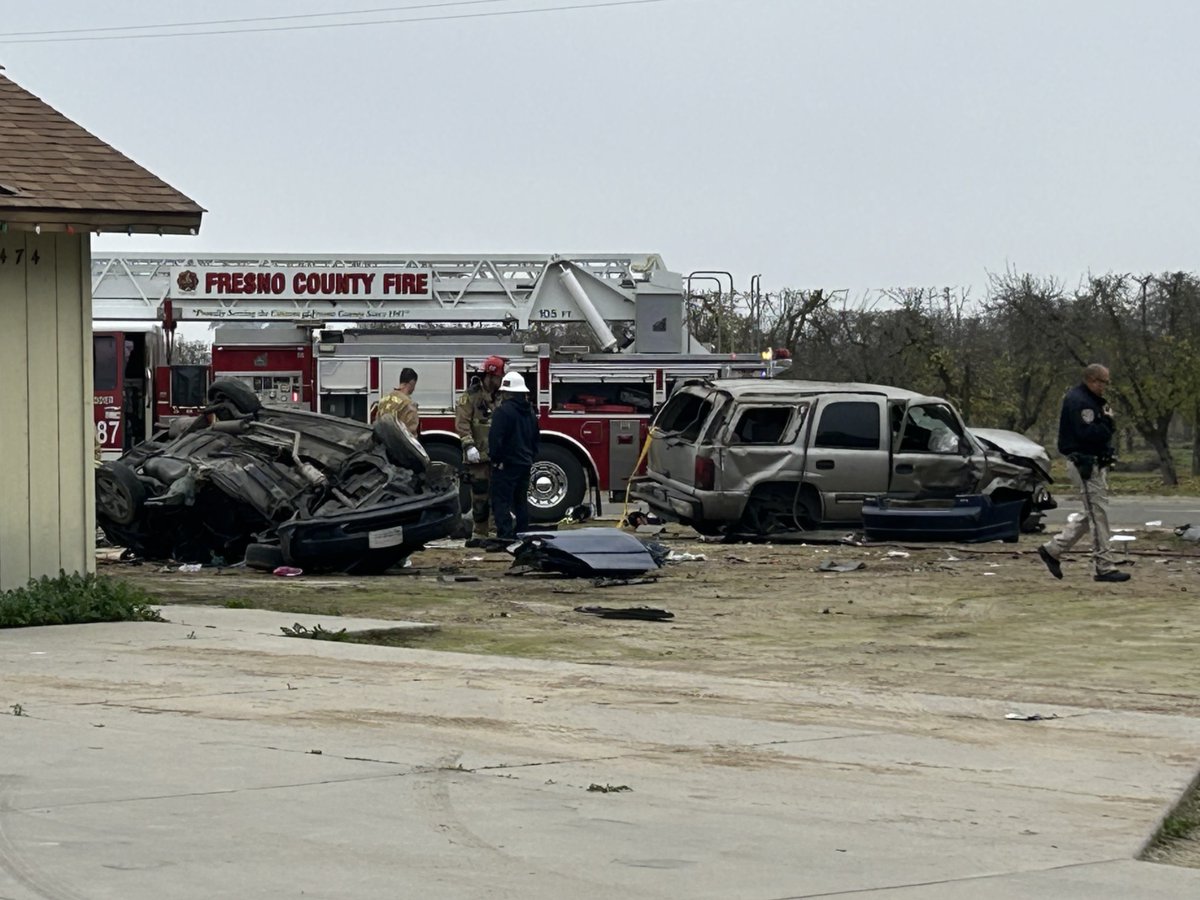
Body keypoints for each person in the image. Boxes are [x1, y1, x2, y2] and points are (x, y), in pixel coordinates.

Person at [1038, 364, 1129, 583]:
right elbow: (1089, 434)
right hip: (1084, 464)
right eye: (1103, 382)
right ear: (1091, 380)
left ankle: (1053, 550)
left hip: (1094, 462)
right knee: (1098, 515)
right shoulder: (1080, 402)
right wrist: (1107, 421)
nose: (1105, 387)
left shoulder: (1090, 400)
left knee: (1091, 513)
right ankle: (1103, 566)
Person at [455, 355, 506, 542]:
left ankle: (495, 532)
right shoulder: (470, 397)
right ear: (491, 375)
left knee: (498, 495)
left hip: (497, 456)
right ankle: (479, 533)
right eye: (499, 376)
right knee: (480, 496)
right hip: (478, 458)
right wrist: (469, 446)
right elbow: (462, 423)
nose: (501, 380)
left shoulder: (501, 396)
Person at [488, 371, 540, 540]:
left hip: (507, 465)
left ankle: (505, 536)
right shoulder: (531, 413)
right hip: (525, 463)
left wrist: (496, 460)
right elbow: (535, 439)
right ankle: (523, 534)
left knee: (501, 501)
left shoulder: (502, 412)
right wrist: (530, 457)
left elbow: (495, 440)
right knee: (520, 501)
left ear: (507, 392)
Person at [374, 367, 419, 436]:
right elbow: (410, 433)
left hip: (382, 443)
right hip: (398, 445)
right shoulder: (408, 404)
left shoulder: (383, 400)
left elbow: (377, 423)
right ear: (412, 383)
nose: (414, 389)